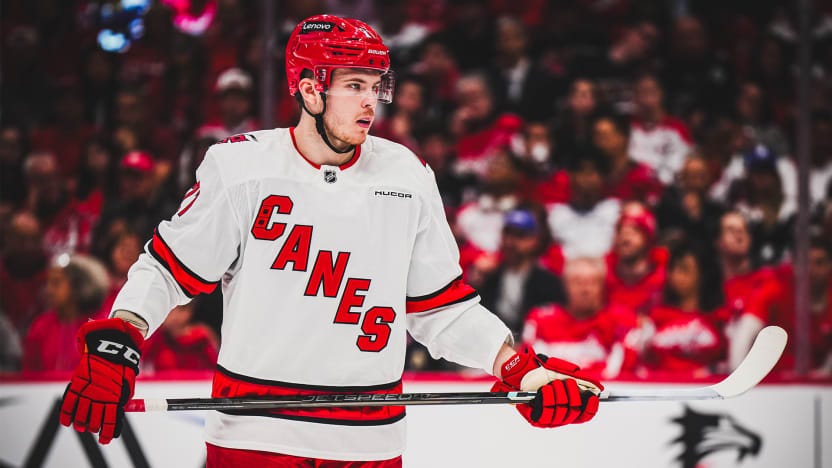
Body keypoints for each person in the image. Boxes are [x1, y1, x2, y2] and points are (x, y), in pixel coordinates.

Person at [59, 15, 602, 466]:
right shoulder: (241, 167)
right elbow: (165, 269)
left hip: (372, 443)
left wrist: (516, 366)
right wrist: (121, 339)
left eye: (376, 87)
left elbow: (442, 309)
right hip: (256, 439)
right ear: (310, 89)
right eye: (355, 86)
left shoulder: (407, 175)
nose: (371, 105)